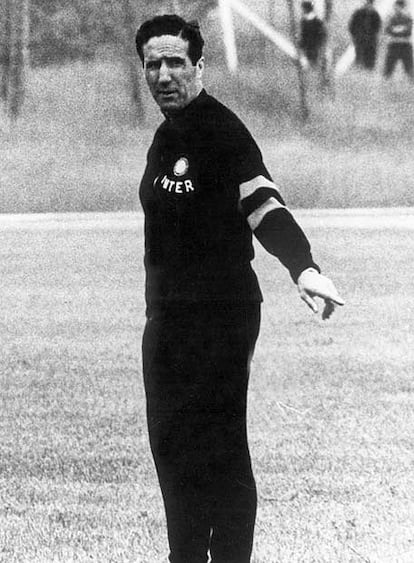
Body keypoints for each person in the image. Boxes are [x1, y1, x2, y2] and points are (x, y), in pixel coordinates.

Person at [135, 14, 344, 563]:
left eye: (175, 62)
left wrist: (303, 267)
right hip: (167, 320)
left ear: (200, 66)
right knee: (171, 450)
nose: (163, 75)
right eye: (152, 64)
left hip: (221, 317)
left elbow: (263, 204)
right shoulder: (165, 136)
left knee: (219, 451)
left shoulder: (223, 132)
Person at [383, 0, 414, 79]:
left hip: (405, 44)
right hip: (394, 44)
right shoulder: (391, 17)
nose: (397, 9)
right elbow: (388, 29)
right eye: (396, 7)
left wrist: (395, 29)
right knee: (388, 69)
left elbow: (408, 30)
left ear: (403, 7)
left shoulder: (408, 18)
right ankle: (386, 83)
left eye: (399, 7)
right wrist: (401, 29)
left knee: (409, 68)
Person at [349, 0, 382, 70]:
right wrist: (355, 36)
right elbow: (352, 25)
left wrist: (373, 36)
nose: (369, 6)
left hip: (371, 40)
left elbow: (378, 28)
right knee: (359, 55)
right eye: (367, 4)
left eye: (370, 5)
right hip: (360, 39)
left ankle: (368, 69)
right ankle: (359, 68)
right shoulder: (358, 13)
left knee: (370, 57)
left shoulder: (375, 15)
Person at [298, 1, 327, 67]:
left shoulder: (309, 21)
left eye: (304, 9)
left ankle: (312, 63)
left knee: (312, 57)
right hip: (311, 44)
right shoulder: (311, 21)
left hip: (312, 44)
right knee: (311, 57)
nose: (303, 10)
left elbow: (303, 34)